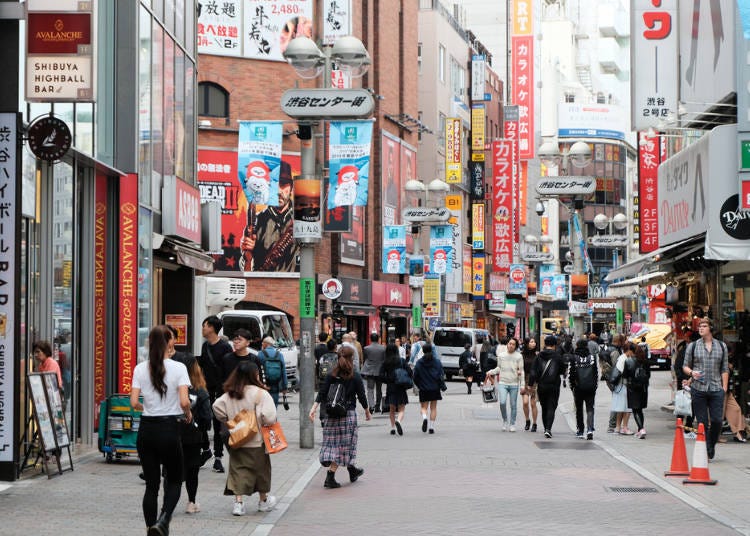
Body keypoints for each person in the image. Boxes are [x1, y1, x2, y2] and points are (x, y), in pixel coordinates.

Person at [130, 325, 192, 536]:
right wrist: (188, 412)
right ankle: (164, 519)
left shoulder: (140, 368)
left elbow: (133, 402)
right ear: (169, 342)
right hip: (169, 428)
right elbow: (184, 400)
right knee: (174, 479)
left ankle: (150, 528)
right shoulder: (179, 368)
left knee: (151, 485)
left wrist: (146, 407)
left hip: (146, 429)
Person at [213, 361, 278, 515]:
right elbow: (269, 418)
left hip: (237, 439)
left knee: (237, 471)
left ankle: (238, 503)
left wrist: (229, 419)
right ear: (255, 375)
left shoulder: (230, 394)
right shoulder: (261, 394)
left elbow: (216, 406)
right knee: (261, 471)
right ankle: (263, 501)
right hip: (257, 440)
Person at [309, 346, 371, 488]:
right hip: (347, 415)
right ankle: (330, 476)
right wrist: (367, 411)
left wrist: (313, 409)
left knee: (336, 444)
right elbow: (361, 395)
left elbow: (322, 393)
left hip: (331, 415)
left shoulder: (332, 374)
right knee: (344, 445)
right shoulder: (354, 375)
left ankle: (352, 470)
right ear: (352, 358)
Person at [683, 318, 729, 460]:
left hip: (716, 389)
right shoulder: (693, 346)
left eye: (704, 326)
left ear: (710, 328)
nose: (701, 328)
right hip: (699, 389)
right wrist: (691, 373)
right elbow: (685, 366)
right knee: (702, 422)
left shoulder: (721, 346)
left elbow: (725, 368)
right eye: (700, 326)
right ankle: (706, 450)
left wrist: (724, 388)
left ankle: (711, 444)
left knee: (717, 421)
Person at [239, 163, 297, 272]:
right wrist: (247, 254)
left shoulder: (301, 220)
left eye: (283, 185)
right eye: (275, 185)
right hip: (263, 285)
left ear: (291, 188)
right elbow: (245, 270)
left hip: (295, 286)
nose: (279, 191)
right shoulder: (257, 221)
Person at [198, 315, 233, 472]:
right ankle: (206, 449)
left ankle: (218, 457)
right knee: (202, 420)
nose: (203, 328)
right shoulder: (205, 347)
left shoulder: (225, 347)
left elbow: (229, 370)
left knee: (218, 424)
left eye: (205, 325)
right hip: (206, 390)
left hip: (221, 391)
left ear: (212, 328)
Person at [179, 356, 213, 514]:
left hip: (172, 433)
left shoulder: (171, 388)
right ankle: (191, 502)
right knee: (192, 470)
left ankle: (168, 502)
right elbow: (207, 416)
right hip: (193, 436)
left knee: (172, 470)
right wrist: (203, 430)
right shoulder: (200, 390)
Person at [528, 335, 567, 438]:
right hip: (554, 385)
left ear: (545, 344)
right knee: (551, 407)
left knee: (544, 407)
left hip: (542, 385)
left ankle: (546, 428)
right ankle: (548, 429)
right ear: (554, 345)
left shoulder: (539, 356)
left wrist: (530, 385)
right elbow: (563, 370)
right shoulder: (558, 356)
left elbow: (533, 372)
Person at [484, 337, 524, 432]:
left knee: (513, 405)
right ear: (507, 344)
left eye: (513, 344)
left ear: (516, 346)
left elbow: (521, 371)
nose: (511, 345)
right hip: (503, 383)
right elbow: (499, 368)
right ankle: (505, 420)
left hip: (514, 384)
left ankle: (512, 423)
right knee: (502, 402)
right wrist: (491, 372)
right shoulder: (501, 355)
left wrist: (522, 385)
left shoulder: (519, 356)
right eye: (510, 343)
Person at [413, 343, 447, 434]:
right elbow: (441, 374)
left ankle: (424, 418)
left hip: (423, 388)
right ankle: (431, 427)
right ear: (431, 351)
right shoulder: (437, 362)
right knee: (433, 408)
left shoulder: (419, 362)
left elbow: (415, 376)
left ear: (423, 351)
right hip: (435, 388)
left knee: (424, 407)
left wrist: (419, 385)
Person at [569, 338, 598, 440]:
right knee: (590, 408)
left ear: (577, 346)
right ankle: (590, 429)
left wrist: (572, 387)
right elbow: (596, 373)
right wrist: (595, 386)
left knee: (579, 409)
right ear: (586, 346)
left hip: (578, 388)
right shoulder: (593, 358)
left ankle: (580, 431)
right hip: (590, 387)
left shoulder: (573, 358)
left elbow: (570, 374)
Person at [381, 342, 410, 435]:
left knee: (392, 408)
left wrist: (388, 380)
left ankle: (393, 428)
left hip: (391, 387)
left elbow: (380, 375)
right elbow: (410, 371)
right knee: (401, 408)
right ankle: (399, 421)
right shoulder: (401, 361)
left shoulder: (385, 362)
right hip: (401, 386)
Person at [624, 343, 651, 439]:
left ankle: (641, 429)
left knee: (635, 409)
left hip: (632, 388)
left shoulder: (628, 361)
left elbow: (625, 375)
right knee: (640, 409)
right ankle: (640, 430)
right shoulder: (645, 361)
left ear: (631, 351)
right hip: (643, 388)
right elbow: (648, 375)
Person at [672, 339, 695, 438]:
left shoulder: (684, 351)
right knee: (690, 406)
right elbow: (678, 367)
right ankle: (686, 429)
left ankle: (681, 427)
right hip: (687, 382)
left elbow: (677, 367)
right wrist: (684, 380)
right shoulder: (688, 351)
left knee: (682, 405)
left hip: (685, 382)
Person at [258, 337, 288, 407]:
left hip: (264, 385)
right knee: (273, 407)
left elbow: (257, 370)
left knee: (264, 407)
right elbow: (283, 371)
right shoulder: (279, 355)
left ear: (266, 344)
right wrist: (284, 387)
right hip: (276, 385)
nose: (262, 344)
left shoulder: (260, 354)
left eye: (263, 343)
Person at [611, 343, 634, 435]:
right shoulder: (625, 359)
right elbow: (625, 373)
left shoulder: (620, 358)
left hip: (618, 386)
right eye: (632, 351)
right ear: (628, 350)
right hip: (624, 385)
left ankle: (617, 427)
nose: (633, 354)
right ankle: (624, 427)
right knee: (627, 407)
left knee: (620, 407)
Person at [361, 332, 386, 413]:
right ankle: (377, 406)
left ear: (370, 339)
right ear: (378, 339)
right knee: (379, 389)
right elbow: (384, 359)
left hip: (370, 371)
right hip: (379, 371)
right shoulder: (383, 348)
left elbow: (365, 359)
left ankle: (371, 405)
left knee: (370, 389)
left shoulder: (366, 348)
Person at [724, 355, 746, 443]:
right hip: (719, 391)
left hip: (727, 392)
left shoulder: (728, 365)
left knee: (736, 409)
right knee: (718, 414)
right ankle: (714, 436)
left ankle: (738, 433)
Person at [520, 337, 539, 432]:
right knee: (525, 402)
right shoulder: (521, 355)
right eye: (531, 342)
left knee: (533, 403)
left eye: (534, 342)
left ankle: (534, 423)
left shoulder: (537, 355)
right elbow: (518, 368)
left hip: (535, 380)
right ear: (527, 343)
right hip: (524, 379)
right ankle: (527, 420)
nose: (534, 343)